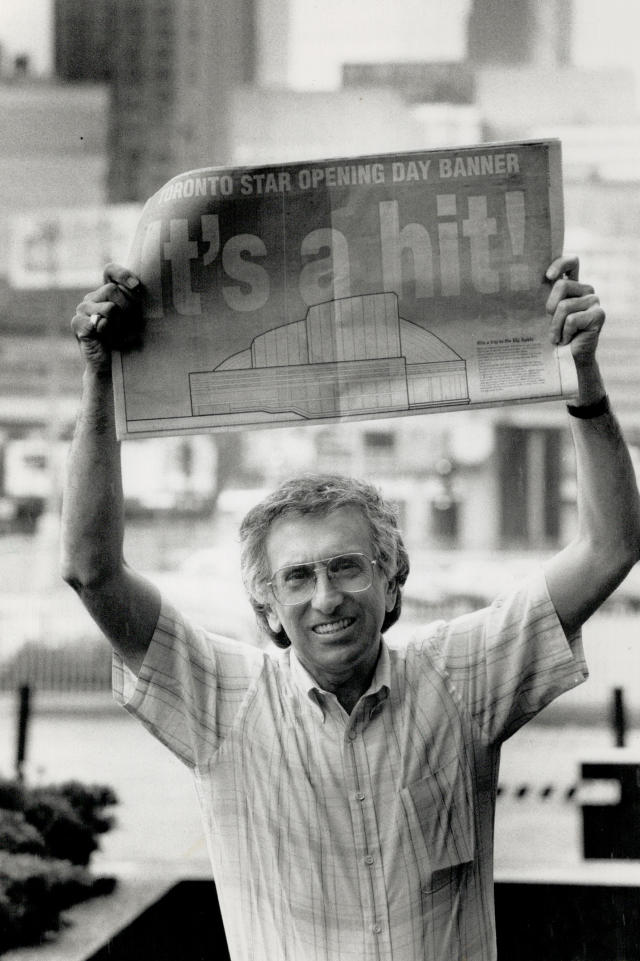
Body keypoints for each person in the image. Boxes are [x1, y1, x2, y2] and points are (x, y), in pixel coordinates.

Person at [61, 255, 640, 961]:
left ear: (392, 581)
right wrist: (98, 376)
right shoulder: (221, 699)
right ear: (268, 607)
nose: (326, 596)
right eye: (297, 577)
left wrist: (582, 379)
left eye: (346, 566)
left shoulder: (463, 678)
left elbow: (612, 545)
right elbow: (92, 572)